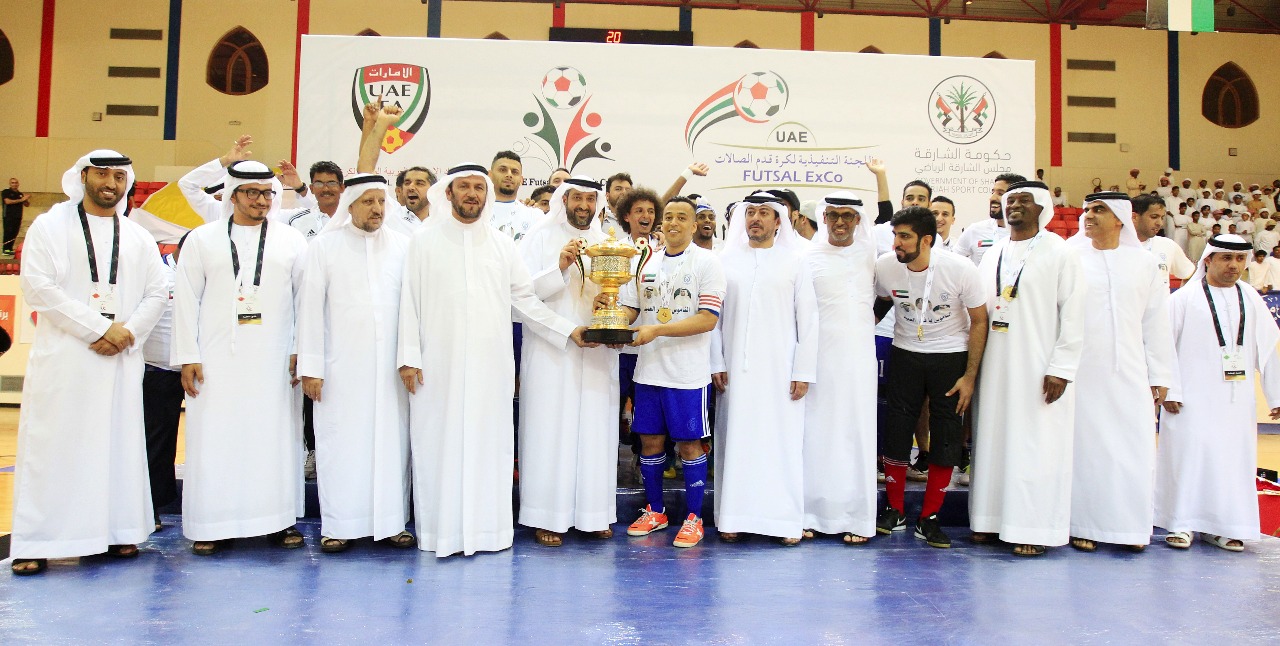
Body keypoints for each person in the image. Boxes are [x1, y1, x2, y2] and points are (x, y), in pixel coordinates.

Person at [398, 165, 590, 557]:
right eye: (464, 187)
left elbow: (525, 299)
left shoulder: (502, 245)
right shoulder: (423, 241)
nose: (472, 194)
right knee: (438, 444)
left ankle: (489, 533)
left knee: (489, 446)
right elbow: (408, 303)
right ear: (448, 193)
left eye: (478, 188)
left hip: (490, 366)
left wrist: (567, 329)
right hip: (437, 366)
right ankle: (441, 534)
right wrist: (408, 357)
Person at [9, 151, 168, 576]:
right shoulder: (49, 226)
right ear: (83, 176)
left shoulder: (137, 236)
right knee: (54, 447)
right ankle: (38, 542)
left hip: (120, 361)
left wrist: (126, 332)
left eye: (119, 176)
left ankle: (115, 533)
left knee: (115, 447)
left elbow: (157, 292)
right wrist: (99, 329)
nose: (110, 183)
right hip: (66, 360)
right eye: (102, 174)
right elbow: (38, 288)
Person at [172, 160, 310, 555]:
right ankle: (211, 524)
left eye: (268, 193)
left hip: (275, 360)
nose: (262, 201)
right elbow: (185, 301)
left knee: (274, 438)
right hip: (216, 360)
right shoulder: (201, 239)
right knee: (215, 438)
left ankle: (278, 521)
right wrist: (188, 354)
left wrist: (300, 348)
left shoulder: (292, 241)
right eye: (252, 193)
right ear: (232, 195)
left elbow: (304, 301)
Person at [296, 174, 415, 553]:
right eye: (368, 201)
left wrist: (410, 358)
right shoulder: (324, 247)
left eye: (381, 201)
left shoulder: (403, 246)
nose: (377, 209)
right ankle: (339, 525)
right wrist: (311, 367)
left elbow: (412, 310)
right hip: (340, 369)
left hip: (391, 371)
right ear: (350, 205)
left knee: (391, 445)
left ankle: (392, 523)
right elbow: (309, 309)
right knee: (341, 445)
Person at [969, 180, 1086, 557]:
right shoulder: (994, 252)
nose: (1014, 206)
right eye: (1010, 200)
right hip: (995, 365)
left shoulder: (1060, 252)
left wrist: (1062, 368)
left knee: (1036, 444)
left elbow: (1075, 314)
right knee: (993, 439)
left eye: (1024, 200)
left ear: (1042, 208)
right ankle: (989, 520)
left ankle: (1032, 528)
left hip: (1039, 367)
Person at [873, 206, 988, 549]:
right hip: (905, 352)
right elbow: (882, 302)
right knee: (896, 430)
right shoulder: (885, 265)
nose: (896, 243)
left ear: (926, 240)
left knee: (946, 434)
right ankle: (894, 510)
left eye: (904, 236)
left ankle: (930, 517)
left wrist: (970, 376)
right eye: (895, 235)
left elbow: (979, 321)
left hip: (950, 356)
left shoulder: (960, 269)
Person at [1065, 193, 1174, 553]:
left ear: (1120, 219)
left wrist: (1161, 375)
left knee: (1132, 448)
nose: (1088, 215)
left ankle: (1130, 528)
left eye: (1099, 210)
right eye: (1087, 209)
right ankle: (1082, 524)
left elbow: (1156, 322)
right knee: (1085, 449)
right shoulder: (1070, 258)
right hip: (1081, 372)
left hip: (1130, 370)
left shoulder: (1145, 264)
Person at [1158, 235, 1280, 552]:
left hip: (1235, 401)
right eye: (1226, 258)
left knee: (1230, 461)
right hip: (1189, 399)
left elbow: (1268, 348)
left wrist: (1276, 396)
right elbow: (1162, 346)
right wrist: (1169, 389)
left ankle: (1223, 526)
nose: (1234, 265)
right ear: (1208, 260)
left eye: (1240, 259)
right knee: (1188, 458)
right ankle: (1181, 523)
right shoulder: (1183, 299)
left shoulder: (1251, 298)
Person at [517, 176, 620, 547]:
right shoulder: (539, 237)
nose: (584, 206)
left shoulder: (608, 241)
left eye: (590, 199)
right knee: (550, 431)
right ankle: (546, 516)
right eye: (577, 198)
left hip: (596, 353)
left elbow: (620, 292)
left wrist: (609, 309)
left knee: (596, 432)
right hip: (551, 351)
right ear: (563, 200)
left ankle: (593, 515)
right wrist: (559, 268)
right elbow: (519, 297)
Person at [618, 196, 726, 548]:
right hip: (648, 371)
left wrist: (658, 330)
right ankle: (656, 511)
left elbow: (707, 319)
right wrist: (611, 320)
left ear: (694, 225)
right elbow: (632, 309)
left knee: (690, 445)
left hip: (687, 374)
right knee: (650, 442)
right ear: (661, 223)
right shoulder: (645, 260)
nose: (674, 223)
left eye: (682, 217)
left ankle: (694, 518)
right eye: (669, 217)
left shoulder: (708, 262)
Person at [711, 192, 818, 545]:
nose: (755, 219)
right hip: (734, 372)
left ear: (778, 221)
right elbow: (713, 319)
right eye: (750, 212)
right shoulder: (725, 261)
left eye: (763, 213)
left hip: (781, 372)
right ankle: (732, 517)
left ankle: (783, 521)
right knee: (736, 441)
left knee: (780, 445)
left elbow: (809, 320)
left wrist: (803, 370)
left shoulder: (796, 261)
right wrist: (716, 361)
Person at [800, 192, 880, 545]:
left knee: (855, 434)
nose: (840, 222)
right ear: (824, 218)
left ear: (858, 219)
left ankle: (856, 519)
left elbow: (887, 296)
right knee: (816, 435)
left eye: (848, 215)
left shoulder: (871, 254)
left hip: (859, 360)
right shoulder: (808, 256)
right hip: (819, 360)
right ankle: (810, 515)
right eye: (833, 215)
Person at [143, 233, 185, 532]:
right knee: (157, 441)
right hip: (159, 369)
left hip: (202, 370)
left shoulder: (209, 273)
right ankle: (152, 507)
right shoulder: (157, 272)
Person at [358, 103, 433, 236]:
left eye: (420, 183)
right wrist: (371, 122)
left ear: (433, 190)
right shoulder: (392, 214)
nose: (411, 187)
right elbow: (365, 171)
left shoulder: (444, 220)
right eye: (407, 183)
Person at [955, 173, 1027, 267]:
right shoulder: (975, 230)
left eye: (1000, 194)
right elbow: (953, 263)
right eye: (993, 192)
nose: (992, 198)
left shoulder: (1029, 234)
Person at [1131, 194, 1195, 288]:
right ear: (1134, 217)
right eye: (1154, 217)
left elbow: (1190, 274)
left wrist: (1181, 295)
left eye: (1162, 218)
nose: (1160, 223)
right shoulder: (1114, 246)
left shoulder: (1168, 245)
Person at [489, 151, 542, 242]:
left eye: (514, 172)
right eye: (502, 170)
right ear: (490, 175)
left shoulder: (535, 215)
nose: (509, 175)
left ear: (521, 180)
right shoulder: (477, 212)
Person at [2, 176, 30, 256]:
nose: (14, 184)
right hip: (8, 216)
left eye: (16, 183)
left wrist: (25, 199)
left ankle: (10, 248)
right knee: (8, 232)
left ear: (18, 184)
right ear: (10, 184)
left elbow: (27, 204)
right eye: (13, 183)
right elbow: (7, 202)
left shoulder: (20, 194)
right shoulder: (6, 192)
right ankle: (5, 249)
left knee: (15, 232)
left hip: (17, 216)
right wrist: (21, 200)